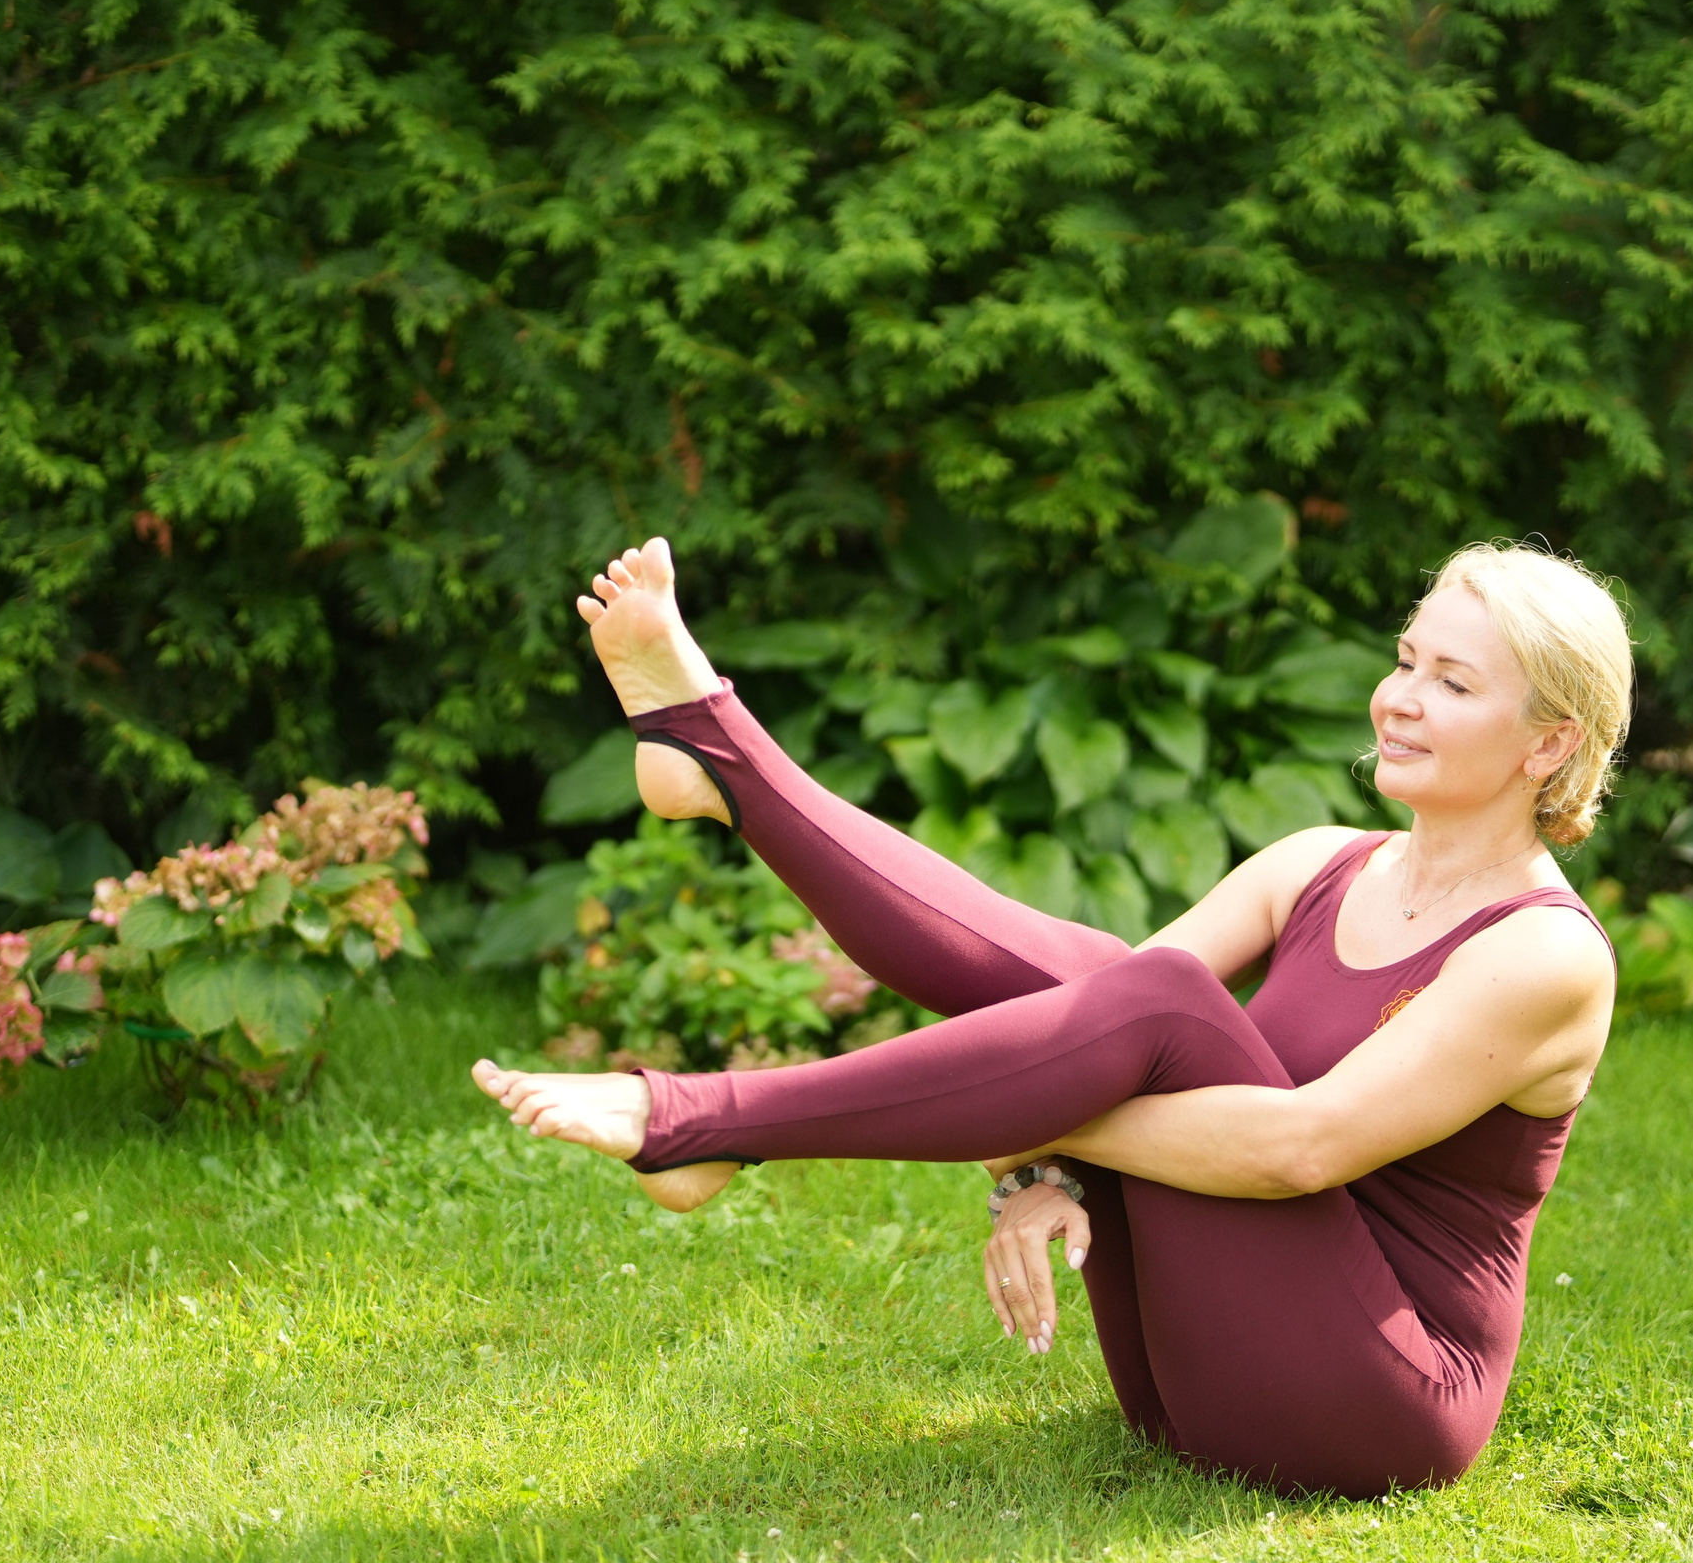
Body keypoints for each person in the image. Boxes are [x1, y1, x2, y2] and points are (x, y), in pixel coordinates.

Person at [474, 536, 1629, 1498]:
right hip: (1187, 1383)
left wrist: (1042, 1120)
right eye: (1407, 660)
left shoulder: (1542, 954)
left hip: (1374, 1403)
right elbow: (1084, 1025)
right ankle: (718, 758)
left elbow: (1300, 1149)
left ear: (1550, 742)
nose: (1401, 698)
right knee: (1116, 981)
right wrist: (1039, 1171)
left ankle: (706, 1115)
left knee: (1164, 999)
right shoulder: (1320, 862)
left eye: (1453, 684)